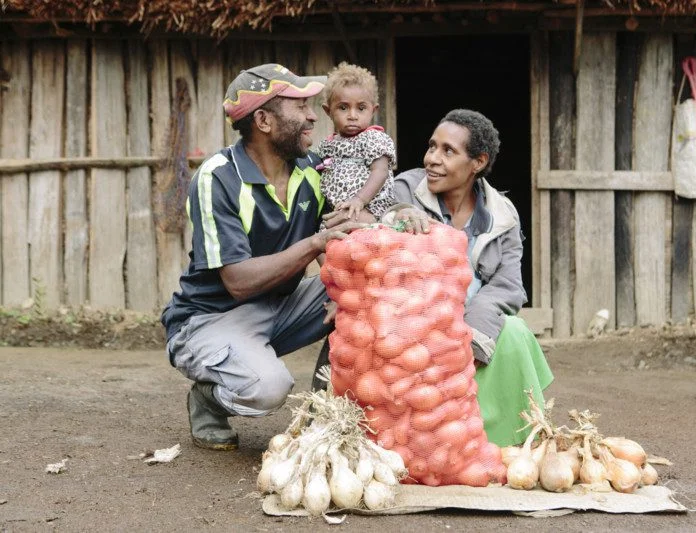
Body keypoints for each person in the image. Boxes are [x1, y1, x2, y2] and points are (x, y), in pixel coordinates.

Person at [318, 109, 553, 447]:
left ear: (477, 162)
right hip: (411, 327)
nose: (432, 159)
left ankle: (506, 442)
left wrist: (467, 335)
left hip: (474, 328)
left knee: (515, 330)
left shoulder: (503, 215)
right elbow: (373, 238)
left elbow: (508, 285)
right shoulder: (403, 191)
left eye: (448, 151)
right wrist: (398, 215)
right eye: (431, 147)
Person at [161, 63, 362, 451]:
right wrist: (314, 244)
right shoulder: (218, 177)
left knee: (365, 298)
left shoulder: (311, 169)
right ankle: (207, 398)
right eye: (298, 105)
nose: (310, 115)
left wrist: (344, 292)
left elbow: (339, 230)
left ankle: (323, 417)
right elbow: (237, 282)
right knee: (268, 388)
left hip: (281, 305)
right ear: (264, 120)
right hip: (210, 317)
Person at [317, 62, 396, 220]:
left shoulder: (373, 138)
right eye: (343, 108)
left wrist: (359, 200)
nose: (352, 115)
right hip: (338, 210)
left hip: (370, 208)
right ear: (328, 111)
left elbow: (380, 172)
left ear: (373, 110)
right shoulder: (327, 146)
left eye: (361, 108)